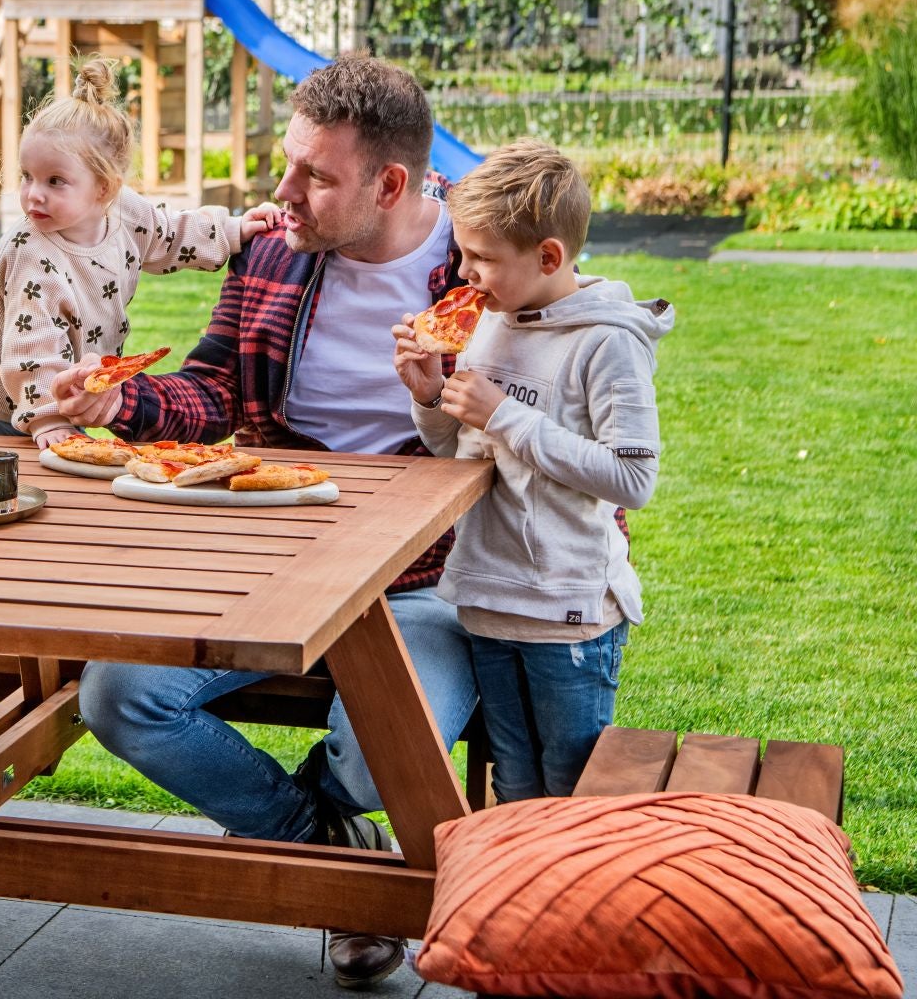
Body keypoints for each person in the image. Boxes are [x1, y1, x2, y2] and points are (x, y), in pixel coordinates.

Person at [49, 55, 477, 990]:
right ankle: (335, 862)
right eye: (288, 163)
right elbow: (211, 385)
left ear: (391, 184)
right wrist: (117, 406)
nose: (282, 193)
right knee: (119, 697)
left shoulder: (481, 267)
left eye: (314, 176)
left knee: (384, 751)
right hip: (268, 559)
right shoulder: (279, 251)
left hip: (429, 580)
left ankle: (339, 841)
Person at [393, 139, 671, 803]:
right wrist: (431, 394)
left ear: (549, 256)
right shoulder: (492, 325)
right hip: (488, 600)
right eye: (463, 253)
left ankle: (576, 908)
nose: (465, 274)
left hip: (566, 611)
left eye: (483, 259)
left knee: (570, 792)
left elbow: (634, 479)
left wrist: (503, 417)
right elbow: (457, 452)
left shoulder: (606, 343)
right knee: (512, 785)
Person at [0, 58, 280, 445]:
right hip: (11, 401)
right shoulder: (30, 251)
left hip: (71, 380)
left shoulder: (125, 212)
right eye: (27, 176)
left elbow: (170, 234)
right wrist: (48, 419)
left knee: (73, 464)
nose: (34, 193)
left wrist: (232, 229)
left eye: (55, 181)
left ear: (104, 188)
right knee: (37, 477)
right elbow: (31, 345)